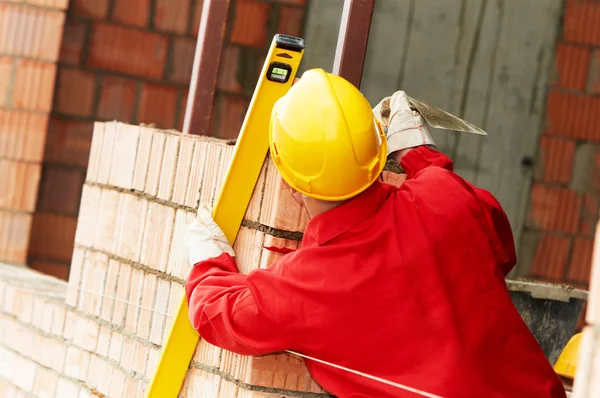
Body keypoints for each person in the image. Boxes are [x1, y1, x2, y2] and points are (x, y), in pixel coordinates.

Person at [184, 68, 566, 398]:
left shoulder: (308, 284)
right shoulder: (445, 198)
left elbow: (222, 314)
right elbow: (500, 249)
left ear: (293, 185)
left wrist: (208, 258)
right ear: (378, 150)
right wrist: (421, 156)